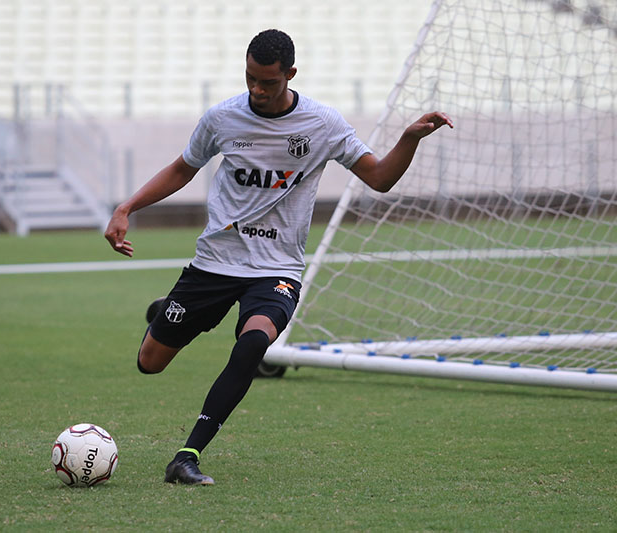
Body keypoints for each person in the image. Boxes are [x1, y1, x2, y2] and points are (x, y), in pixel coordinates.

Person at [104, 29, 453, 485]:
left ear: (290, 74)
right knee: (149, 363)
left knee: (253, 343)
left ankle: (187, 455)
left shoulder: (322, 123)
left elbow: (380, 178)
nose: (256, 89)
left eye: (267, 82)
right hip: (215, 262)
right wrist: (127, 208)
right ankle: (162, 314)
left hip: (276, 269)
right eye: (249, 78)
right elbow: (181, 169)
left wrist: (409, 139)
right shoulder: (222, 118)